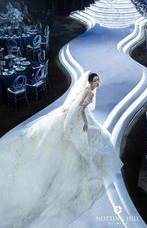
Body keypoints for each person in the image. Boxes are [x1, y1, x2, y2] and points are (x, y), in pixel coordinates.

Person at [0, 71, 123, 227]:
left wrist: (80, 120)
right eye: (96, 80)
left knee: (93, 136)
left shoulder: (88, 90)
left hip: (75, 116)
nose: (98, 82)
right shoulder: (89, 92)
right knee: (80, 142)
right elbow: (79, 108)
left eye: (99, 80)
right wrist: (80, 124)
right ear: (91, 81)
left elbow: (78, 106)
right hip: (76, 117)